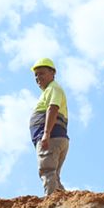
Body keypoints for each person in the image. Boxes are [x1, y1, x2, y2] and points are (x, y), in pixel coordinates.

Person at [29, 56, 68, 195]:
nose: (38, 77)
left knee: (48, 171)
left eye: (42, 73)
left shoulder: (53, 88)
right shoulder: (49, 90)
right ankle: (62, 202)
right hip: (56, 137)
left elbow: (53, 108)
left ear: (52, 73)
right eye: (36, 74)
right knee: (53, 174)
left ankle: (51, 202)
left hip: (51, 137)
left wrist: (46, 134)